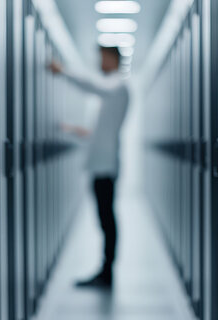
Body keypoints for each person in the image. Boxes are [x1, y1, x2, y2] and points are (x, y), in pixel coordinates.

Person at [49, 46, 130, 288]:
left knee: (107, 218)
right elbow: (100, 132)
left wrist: (63, 71)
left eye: (102, 57)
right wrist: (75, 130)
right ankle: (105, 270)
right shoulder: (113, 91)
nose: (99, 61)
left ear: (113, 58)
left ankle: (107, 272)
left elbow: (94, 86)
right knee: (104, 217)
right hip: (100, 164)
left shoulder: (117, 85)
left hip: (105, 166)